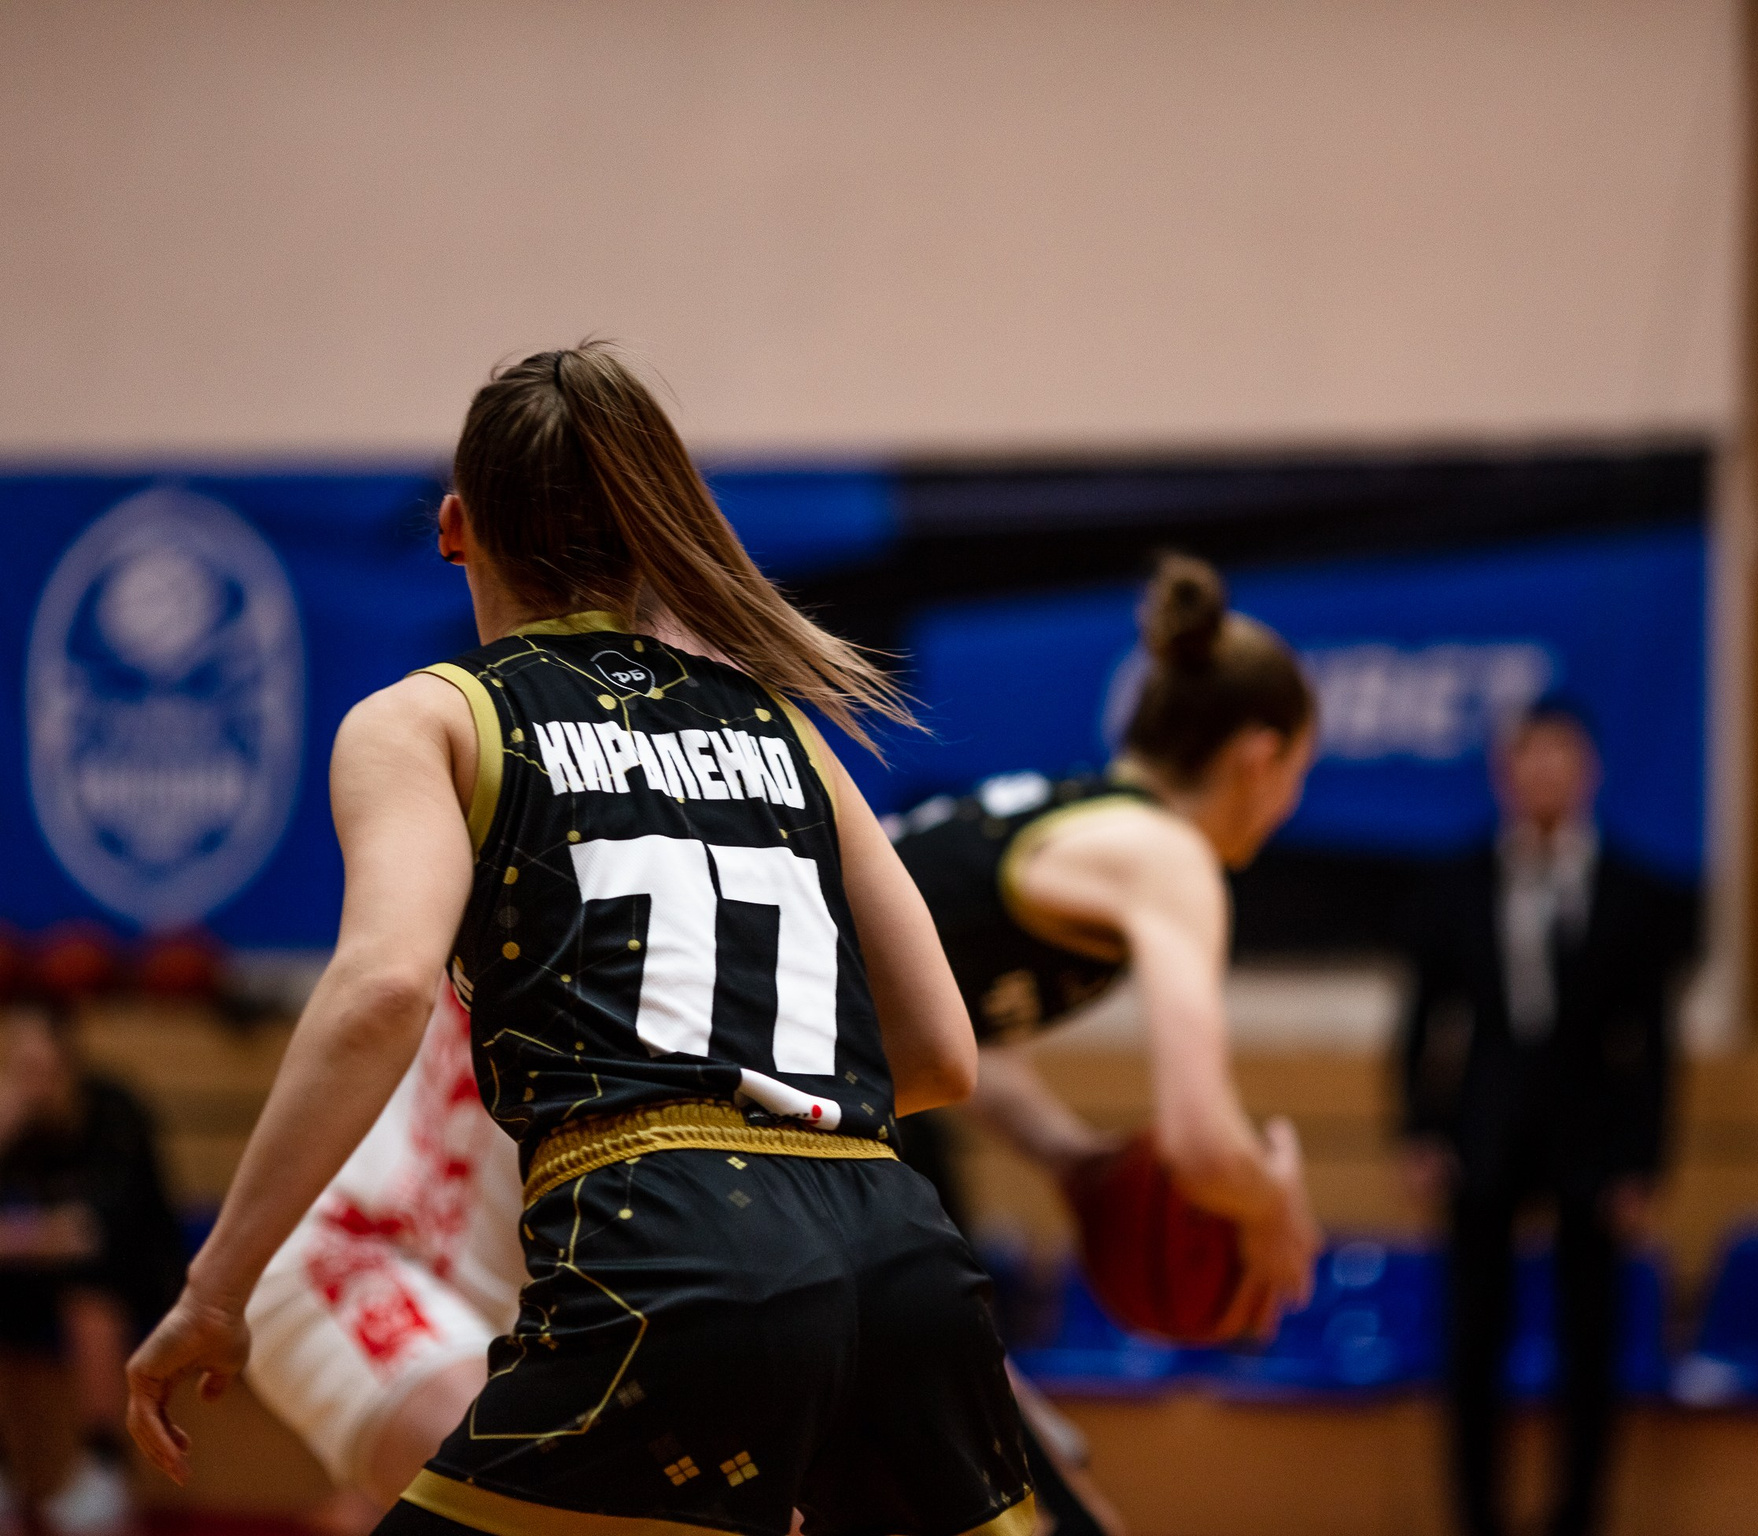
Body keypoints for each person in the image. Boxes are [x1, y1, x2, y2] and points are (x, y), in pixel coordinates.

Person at [126, 343, 1035, 1536]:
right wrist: (772, 1128)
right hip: (903, 1264)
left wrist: (213, 1288)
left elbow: (384, 990)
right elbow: (941, 1056)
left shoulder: (432, 719)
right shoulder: (785, 728)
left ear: (456, 528)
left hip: (673, 1259)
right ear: (646, 530)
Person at [890, 555, 1325, 1532]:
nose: (1291, 803)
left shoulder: (1074, 813)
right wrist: (1272, 1199)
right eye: (1300, 774)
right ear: (1259, 759)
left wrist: (1070, 1157)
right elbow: (1203, 1143)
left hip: (746, 1091)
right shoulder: (1168, 856)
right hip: (755, 1122)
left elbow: (938, 1030)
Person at [1398, 701, 1695, 1536]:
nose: (1543, 775)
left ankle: (1577, 1515)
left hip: (1593, 1143)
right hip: (1483, 1138)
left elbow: (1655, 1043)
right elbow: (1423, 1021)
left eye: (1559, 759)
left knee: (1591, 1345)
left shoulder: (1634, 892)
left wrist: (1644, 1161)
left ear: (1587, 772)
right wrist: (1419, 1131)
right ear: (1505, 773)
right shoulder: (1458, 882)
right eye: (1528, 759)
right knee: (1473, 1343)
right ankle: (1478, 1516)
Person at [243, 980, 525, 1533]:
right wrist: (213, 1287)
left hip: (531, 1309)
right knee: (523, 1495)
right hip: (370, 1248)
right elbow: (385, 984)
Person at [0, 994, 185, 1536]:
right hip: (38, 1278)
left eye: (33, 1051)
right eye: (12, 1055)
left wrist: (22, 1237)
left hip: (136, 1275)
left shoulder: (113, 1110)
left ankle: (104, 1467)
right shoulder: (15, 1121)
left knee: (90, 1296)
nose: (23, 1066)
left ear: (64, 1052)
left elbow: (89, 1233)